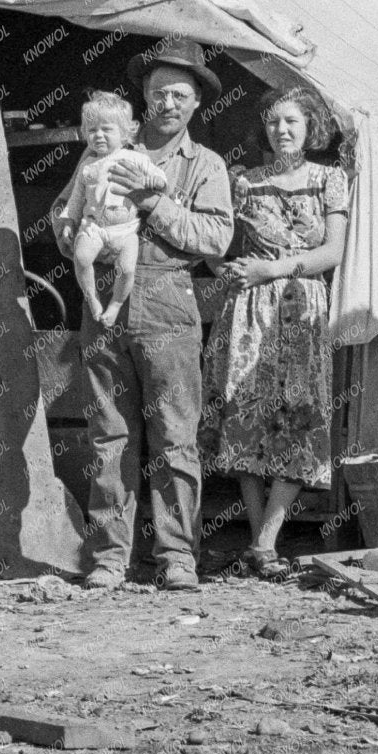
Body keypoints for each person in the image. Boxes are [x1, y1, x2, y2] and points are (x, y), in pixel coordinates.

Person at [51, 39, 233, 592]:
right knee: (109, 436)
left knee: (175, 436)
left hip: (167, 304)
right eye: (158, 93)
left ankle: (176, 556)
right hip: (104, 304)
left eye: (180, 94)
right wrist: (68, 231)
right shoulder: (100, 151)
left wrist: (152, 203)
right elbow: (64, 209)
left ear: (198, 100)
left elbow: (217, 241)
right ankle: (109, 557)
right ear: (143, 99)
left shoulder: (205, 165)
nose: (168, 104)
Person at [201, 85, 350, 577]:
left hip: (301, 307)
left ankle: (266, 540)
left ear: (310, 128)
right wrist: (227, 269)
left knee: (296, 417)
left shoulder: (329, 179)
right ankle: (257, 543)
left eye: (291, 121)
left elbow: (332, 253)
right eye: (271, 122)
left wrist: (277, 270)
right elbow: (214, 236)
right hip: (248, 309)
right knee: (244, 415)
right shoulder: (243, 182)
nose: (280, 131)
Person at [59, 92, 142, 328]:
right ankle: (92, 297)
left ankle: (116, 304)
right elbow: (76, 198)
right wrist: (69, 221)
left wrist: (156, 183)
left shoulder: (133, 159)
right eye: (93, 130)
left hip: (125, 230)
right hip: (94, 226)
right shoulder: (87, 165)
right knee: (82, 257)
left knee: (127, 269)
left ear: (125, 134)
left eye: (107, 129)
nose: (99, 135)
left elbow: (157, 178)